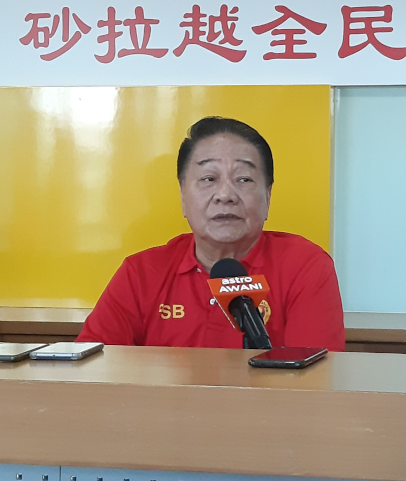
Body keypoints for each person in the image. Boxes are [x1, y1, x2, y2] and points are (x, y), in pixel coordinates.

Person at [78, 117, 345, 350]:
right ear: (183, 195)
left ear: (267, 196)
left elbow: (314, 381)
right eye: (208, 179)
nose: (226, 195)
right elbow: (91, 368)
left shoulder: (304, 266)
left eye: (244, 179)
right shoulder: (141, 273)